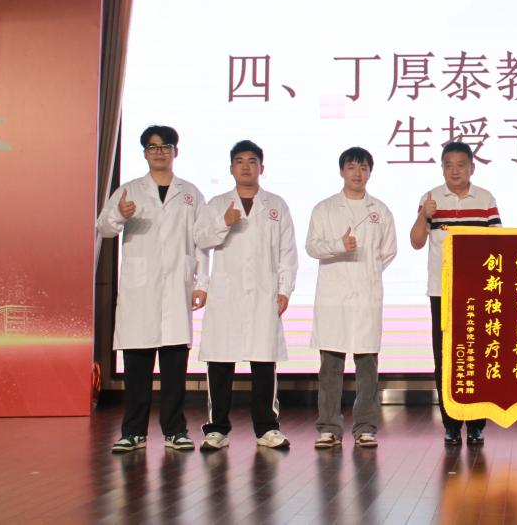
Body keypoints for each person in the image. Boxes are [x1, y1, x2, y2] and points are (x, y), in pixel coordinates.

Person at [97, 125, 208, 454]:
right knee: (137, 369)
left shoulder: (190, 194)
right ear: (144, 153)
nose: (159, 152)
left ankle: (175, 430)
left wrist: (201, 283)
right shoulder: (129, 190)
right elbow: (104, 227)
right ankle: (133, 432)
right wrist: (119, 215)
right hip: (141, 292)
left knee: (174, 368)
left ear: (176, 151)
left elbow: (201, 241)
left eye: (165, 146)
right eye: (153, 147)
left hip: (176, 288)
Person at [193, 140, 298, 451]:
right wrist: (224, 224)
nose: (246, 167)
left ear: (261, 167)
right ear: (231, 168)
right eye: (239, 161)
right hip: (226, 295)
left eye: (252, 161)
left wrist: (284, 289)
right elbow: (201, 240)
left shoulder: (276, 205)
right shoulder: (217, 204)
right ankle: (216, 429)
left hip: (264, 294)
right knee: (220, 363)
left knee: (264, 362)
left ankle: (266, 428)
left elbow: (287, 252)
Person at [408, 141, 501, 447]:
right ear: (442, 168)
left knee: (478, 356)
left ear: (472, 167)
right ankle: (450, 423)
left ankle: (476, 424)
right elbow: (416, 242)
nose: (455, 170)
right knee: (445, 357)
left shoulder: (485, 199)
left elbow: (499, 244)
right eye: (448, 165)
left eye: (461, 165)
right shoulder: (430, 198)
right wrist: (424, 216)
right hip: (442, 291)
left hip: (479, 291)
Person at [307, 147, 397, 449]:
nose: (358, 173)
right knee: (330, 367)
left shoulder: (380, 210)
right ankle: (329, 427)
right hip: (334, 296)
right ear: (341, 171)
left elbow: (388, 252)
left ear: (370, 172)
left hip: (366, 296)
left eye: (363, 168)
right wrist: (339, 245)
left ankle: (365, 427)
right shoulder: (324, 208)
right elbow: (312, 246)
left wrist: (366, 273)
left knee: (367, 366)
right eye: (351, 167)